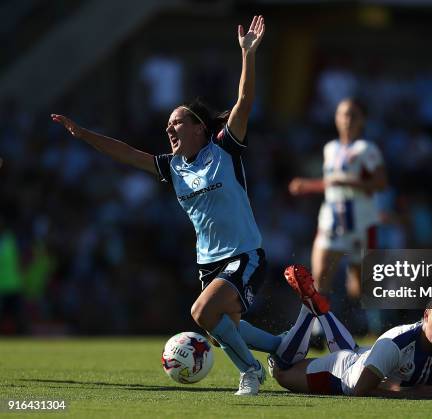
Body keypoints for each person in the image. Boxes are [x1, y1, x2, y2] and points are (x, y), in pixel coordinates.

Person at [51, 15, 271, 396]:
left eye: (177, 123)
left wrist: (248, 55)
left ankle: (250, 372)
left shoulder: (224, 149)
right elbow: (126, 153)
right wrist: (83, 134)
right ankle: (287, 345)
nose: (169, 129)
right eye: (167, 125)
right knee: (225, 333)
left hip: (244, 254)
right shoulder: (172, 168)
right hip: (207, 263)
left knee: (202, 313)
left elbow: (244, 101)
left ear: (200, 128)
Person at [270, 265, 432, 400]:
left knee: (353, 352)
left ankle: (317, 307)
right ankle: (309, 308)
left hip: (362, 357)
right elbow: (360, 391)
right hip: (342, 375)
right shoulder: (397, 343)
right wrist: (410, 394)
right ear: (426, 315)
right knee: (282, 374)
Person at [288, 98, 387, 301]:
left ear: (362, 120)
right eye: (342, 114)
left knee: (359, 288)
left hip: (360, 220)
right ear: (336, 118)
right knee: (320, 272)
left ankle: (369, 323)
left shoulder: (367, 149)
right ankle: (317, 326)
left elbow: (380, 183)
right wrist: (307, 186)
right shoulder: (330, 148)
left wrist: (349, 182)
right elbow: (332, 183)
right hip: (332, 216)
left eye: (352, 115)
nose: (347, 119)